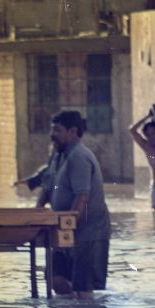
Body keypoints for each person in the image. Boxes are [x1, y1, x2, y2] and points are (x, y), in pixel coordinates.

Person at [47, 110, 110, 297]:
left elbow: (82, 197)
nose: (53, 135)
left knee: (83, 287)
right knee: (55, 280)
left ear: (72, 131)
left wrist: (68, 229)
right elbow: (47, 185)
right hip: (65, 231)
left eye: (57, 130)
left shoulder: (79, 157)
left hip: (87, 232)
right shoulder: (59, 155)